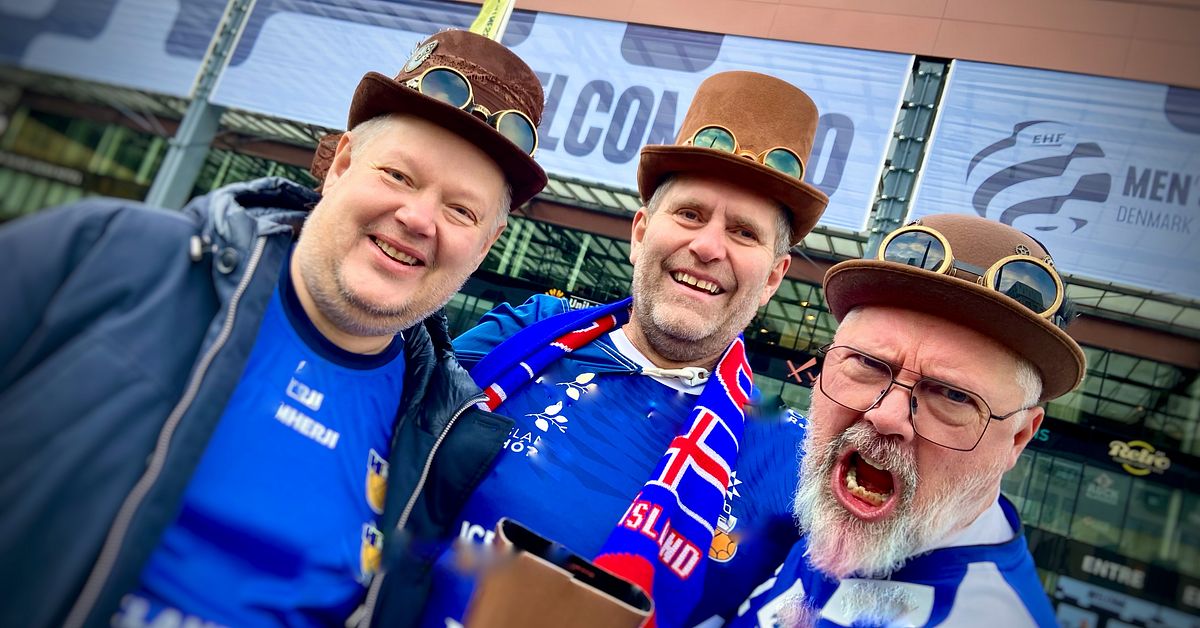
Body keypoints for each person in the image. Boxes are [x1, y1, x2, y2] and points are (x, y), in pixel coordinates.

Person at [0, 30, 546, 628]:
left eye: (460, 210)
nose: (418, 219)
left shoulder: (442, 439)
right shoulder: (108, 255)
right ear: (341, 166)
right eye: (398, 175)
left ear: (486, 245)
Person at [416, 71, 831, 628]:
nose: (708, 247)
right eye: (690, 214)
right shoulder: (525, 330)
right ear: (640, 233)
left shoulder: (793, 459)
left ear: (774, 278)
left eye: (743, 232)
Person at [731, 214, 1083, 626]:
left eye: (952, 395)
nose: (885, 416)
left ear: (1018, 438)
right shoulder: (822, 508)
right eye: (866, 363)